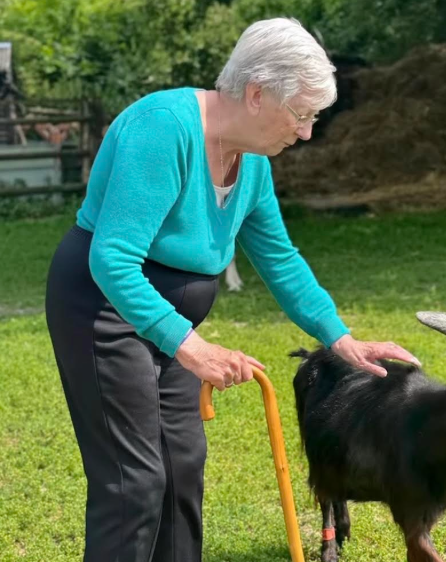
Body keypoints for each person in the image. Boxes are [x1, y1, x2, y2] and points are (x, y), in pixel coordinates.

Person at [45, 17, 421, 562]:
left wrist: (341, 340)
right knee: (135, 480)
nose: (306, 132)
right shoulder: (162, 129)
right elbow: (113, 259)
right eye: (301, 114)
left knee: (182, 467)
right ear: (257, 93)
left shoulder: (253, 164)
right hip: (104, 308)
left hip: (172, 327)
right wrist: (191, 346)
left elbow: (280, 259)